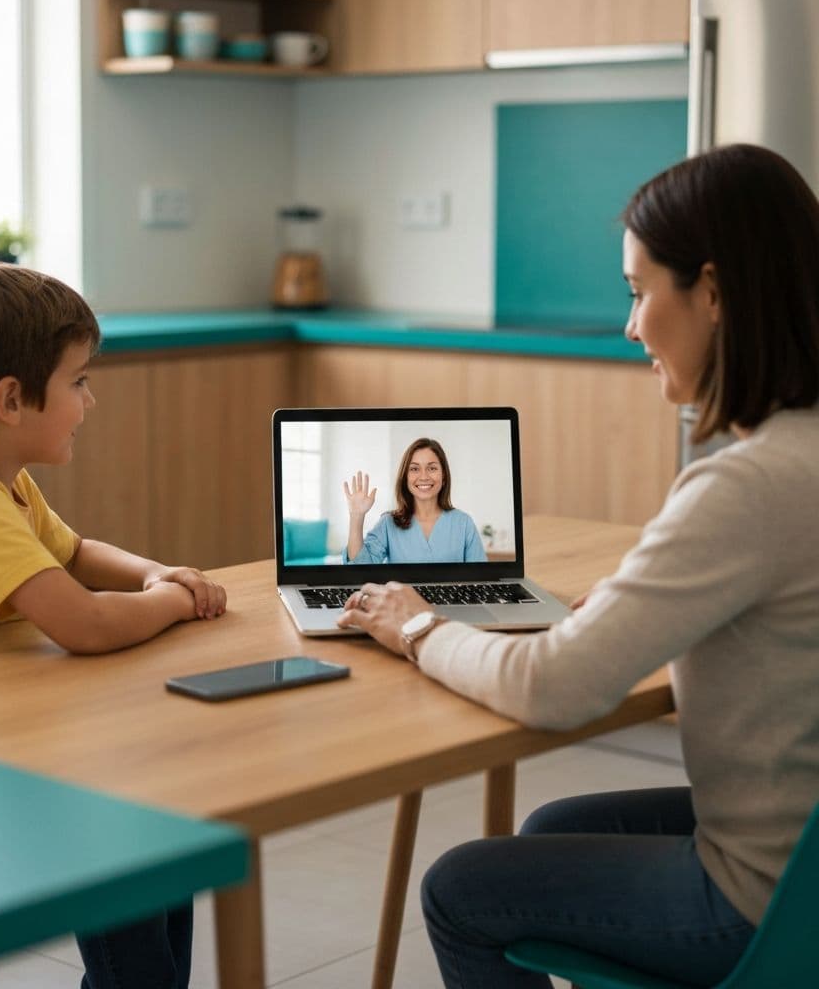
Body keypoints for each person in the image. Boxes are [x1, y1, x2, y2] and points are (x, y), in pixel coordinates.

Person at [336, 144, 819, 988]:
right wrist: (649, 614)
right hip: (800, 840)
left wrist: (416, 626)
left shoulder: (747, 483)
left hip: (764, 897)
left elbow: (555, 688)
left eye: (639, 293)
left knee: (461, 888)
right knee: (552, 825)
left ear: (711, 293)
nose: (631, 326)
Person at [0, 261, 227, 989]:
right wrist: (176, 603)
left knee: (161, 825)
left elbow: (78, 554)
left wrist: (158, 573)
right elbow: (83, 623)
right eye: (79, 381)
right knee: (131, 827)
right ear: (11, 401)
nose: (91, 400)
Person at [342, 437, 486, 564]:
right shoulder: (388, 524)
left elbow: (481, 579)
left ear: (444, 477)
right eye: (415, 469)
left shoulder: (463, 523)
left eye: (432, 468)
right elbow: (360, 567)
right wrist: (356, 516)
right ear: (405, 479)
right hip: (400, 597)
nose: (424, 476)